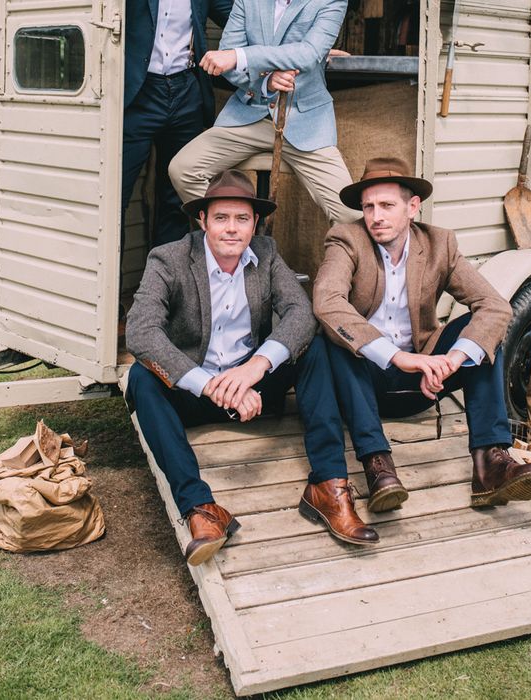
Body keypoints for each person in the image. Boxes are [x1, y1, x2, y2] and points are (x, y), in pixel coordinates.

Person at [124, 169, 379, 566]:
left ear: (254, 223)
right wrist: (211, 385)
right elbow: (140, 331)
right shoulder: (169, 259)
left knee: (315, 348)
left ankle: (328, 487)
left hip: (255, 389)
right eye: (221, 218)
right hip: (194, 392)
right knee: (141, 377)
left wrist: (255, 368)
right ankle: (201, 509)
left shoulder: (267, 253)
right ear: (202, 220)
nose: (231, 229)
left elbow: (300, 313)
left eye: (242, 219)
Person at [313, 157, 531, 512]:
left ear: (412, 207)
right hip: (364, 387)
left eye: (387, 206)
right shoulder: (346, 239)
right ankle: (378, 466)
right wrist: (401, 358)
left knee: (485, 330)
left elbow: (495, 306)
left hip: (423, 383)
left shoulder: (439, 243)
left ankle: (490, 464)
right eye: (368, 207)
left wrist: (450, 362)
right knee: (333, 337)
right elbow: (327, 302)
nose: (376, 216)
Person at [168, 0, 359, 226]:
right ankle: (235, 243)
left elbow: (308, 53)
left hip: (304, 123)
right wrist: (265, 82)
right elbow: (227, 63)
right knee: (182, 169)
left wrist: (241, 56)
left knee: (350, 214)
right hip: (248, 114)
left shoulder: (331, 1)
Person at [122, 0, 232, 250]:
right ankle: (111, 288)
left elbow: (244, 17)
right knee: (116, 197)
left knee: (175, 200)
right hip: (136, 95)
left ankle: (163, 284)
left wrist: (302, 45)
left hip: (186, 93)